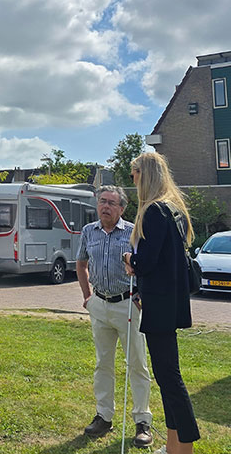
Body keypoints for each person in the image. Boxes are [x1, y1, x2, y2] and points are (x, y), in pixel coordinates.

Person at [123, 152, 200, 454]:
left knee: (169, 379)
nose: (133, 179)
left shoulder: (154, 211)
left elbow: (148, 261)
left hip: (160, 306)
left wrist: (130, 260)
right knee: (167, 376)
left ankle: (184, 448)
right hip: (171, 302)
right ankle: (172, 447)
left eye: (134, 173)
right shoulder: (174, 209)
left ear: (145, 174)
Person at [76, 185, 153, 447]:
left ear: (122, 208)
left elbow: (145, 267)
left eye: (111, 203)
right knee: (103, 364)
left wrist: (141, 297)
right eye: (102, 202)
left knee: (137, 364)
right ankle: (103, 416)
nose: (105, 207)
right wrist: (87, 296)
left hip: (127, 305)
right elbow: (81, 263)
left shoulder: (133, 232)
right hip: (99, 305)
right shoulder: (88, 232)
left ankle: (142, 421)